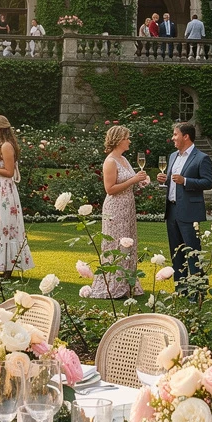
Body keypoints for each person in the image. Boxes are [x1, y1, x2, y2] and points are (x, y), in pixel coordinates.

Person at [88, 125, 151, 299]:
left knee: (128, 242)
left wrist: (141, 181)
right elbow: (110, 189)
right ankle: (113, 285)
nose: (129, 141)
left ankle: (127, 284)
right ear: (118, 140)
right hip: (115, 208)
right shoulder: (110, 161)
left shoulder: (124, 159)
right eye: (127, 138)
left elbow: (131, 180)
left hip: (128, 207)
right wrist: (133, 180)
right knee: (115, 243)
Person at [157, 122, 212, 289]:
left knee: (193, 251)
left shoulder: (202, 158)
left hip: (190, 211)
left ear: (186, 136)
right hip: (172, 210)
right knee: (176, 252)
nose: (173, 138)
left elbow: (208, 182)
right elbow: (172, 182)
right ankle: (180, 288)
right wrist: (164, 180)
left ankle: (198, 288)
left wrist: (185, 181)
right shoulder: (173, 156)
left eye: (175, 134)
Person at [0, 116, 35, 276]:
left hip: (4, 190)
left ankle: (8, 268)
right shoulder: (0, 146)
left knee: (6, 226)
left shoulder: (6, 146)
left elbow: (9, 172)